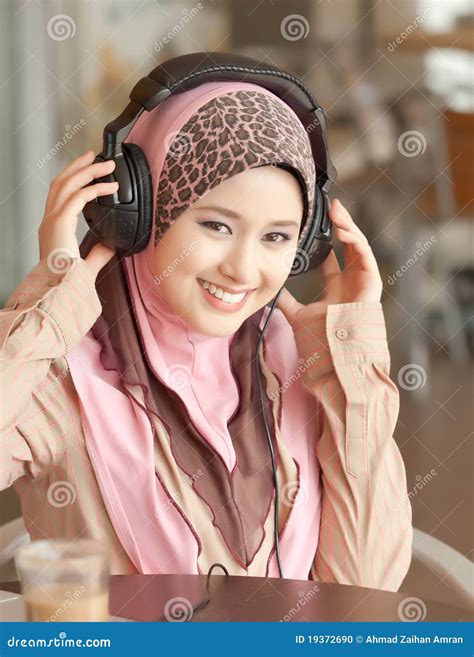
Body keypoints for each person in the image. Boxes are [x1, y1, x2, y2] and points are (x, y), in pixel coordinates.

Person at [0, 80, 412, 590]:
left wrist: (349, 366)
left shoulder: (301, 368)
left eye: (277, 237)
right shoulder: (55, 377)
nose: (243, 269)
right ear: (140, 215)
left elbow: (363, 592)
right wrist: (52, 301)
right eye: (217, 225)